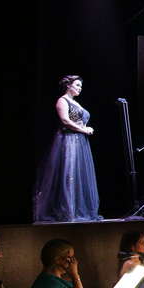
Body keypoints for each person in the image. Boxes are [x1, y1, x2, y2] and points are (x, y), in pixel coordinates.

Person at [33, 75, 101, 223]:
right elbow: (65, 120)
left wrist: (85, 128)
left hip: (79, 142)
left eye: (81, 86)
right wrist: (84, 130)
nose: (80, 88)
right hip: (68, 141)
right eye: (77, 85)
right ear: (68, 86)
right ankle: (67, 212)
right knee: (68, 175)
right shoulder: (62, 100)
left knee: (77, 175)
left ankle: (76, 211)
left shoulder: (75, 102)